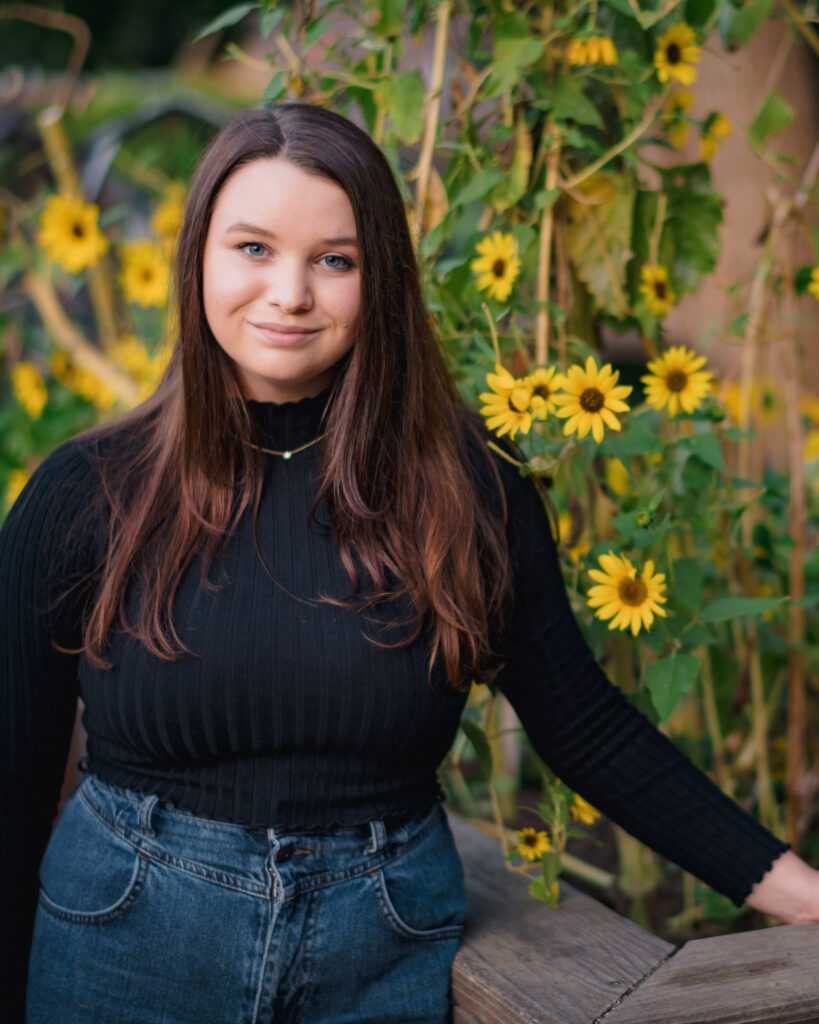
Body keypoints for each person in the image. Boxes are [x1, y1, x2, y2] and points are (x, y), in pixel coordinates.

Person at [2, 102, 818, 1024]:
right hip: (126, 940)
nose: (290, 294)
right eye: (253, 248)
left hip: (378, 941)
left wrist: (801, 896)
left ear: (379, 280)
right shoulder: (86, 493)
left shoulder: (463, 489)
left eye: (335, 260)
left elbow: (583, 725)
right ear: (197, 258)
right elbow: (12, 778)